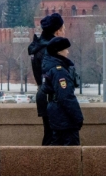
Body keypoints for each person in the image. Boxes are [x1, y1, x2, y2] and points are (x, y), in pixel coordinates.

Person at [28, 13, 65, 146]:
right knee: (54, 138)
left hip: (44, 95)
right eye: (63, 29)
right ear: (57, 31)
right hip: (52, 97)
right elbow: (55, 75)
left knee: (50, 135)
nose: (64, 32)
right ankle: (47, 165)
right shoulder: (49, 49)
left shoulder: (38, 46)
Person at [41, 36, 83, 146]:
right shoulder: (59, 71)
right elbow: (66, 96)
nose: (68, 52)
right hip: (64, 115)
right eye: (65, 49)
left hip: (56, 111)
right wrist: (77, 116)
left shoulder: (50, 67)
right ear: (59, 51)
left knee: (57, 146)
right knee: (70, 149)